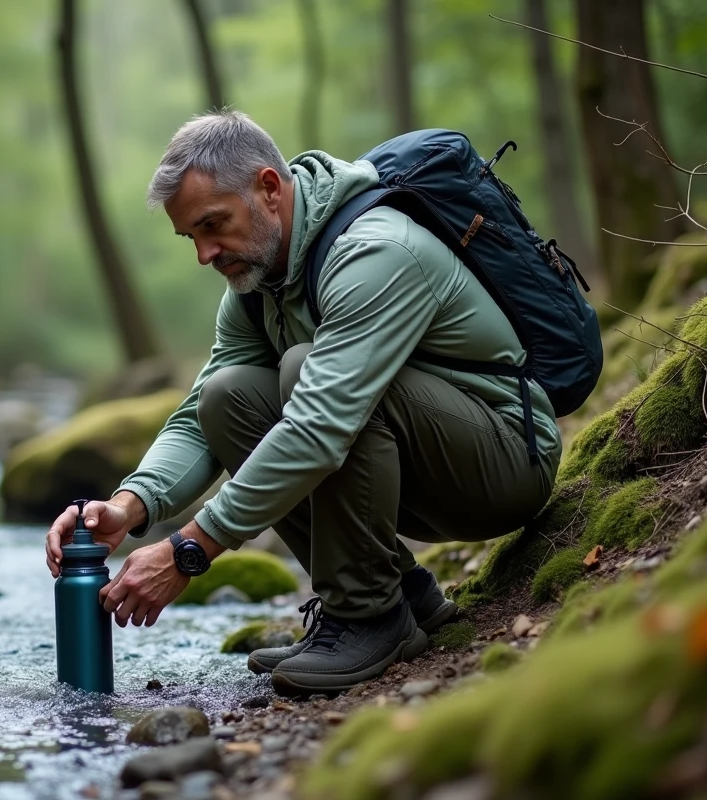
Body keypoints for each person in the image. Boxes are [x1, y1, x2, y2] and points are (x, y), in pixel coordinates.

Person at [44, 110, 561, 696]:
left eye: (213, 225)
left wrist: (190, 549)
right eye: (192, 237)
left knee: (303, 371)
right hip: (419, 462)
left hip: (504, 461)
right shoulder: (257, 283)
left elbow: (321, 426)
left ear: (269, 188)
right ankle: (401, 595)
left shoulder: (374, 251)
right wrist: (129, 506)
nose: (205, 254)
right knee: (226, 396)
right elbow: (198, 420)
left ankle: (369, 615)